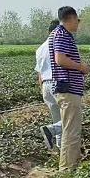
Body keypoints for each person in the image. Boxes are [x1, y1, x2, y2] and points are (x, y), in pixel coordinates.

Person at [49, 5, 90, 171]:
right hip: (68, 88)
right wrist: (81, 67)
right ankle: (68, 169)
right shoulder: (61, 35)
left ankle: (71, 165)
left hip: (68, 87)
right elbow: (60, 59)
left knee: (71, 128)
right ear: (71, 18)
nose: (78, 24)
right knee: (71, 130)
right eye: (78, 20)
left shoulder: (62, 34)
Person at [37, 19, 62, 150]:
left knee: (57, 118)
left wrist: (42, 87)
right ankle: (50, 130)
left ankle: (59, 148)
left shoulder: (40, 48)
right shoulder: (59, 44)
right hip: (57, 83)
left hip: (45, 85)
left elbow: (39, 73)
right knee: (72, 118)